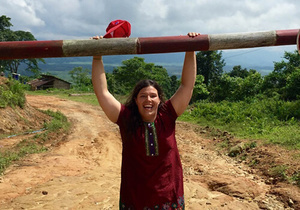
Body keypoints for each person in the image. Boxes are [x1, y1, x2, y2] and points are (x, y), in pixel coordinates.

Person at [92, 32, 199, 210]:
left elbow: (187, 85)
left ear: (159, 99)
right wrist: (97, 57)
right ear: (135, 100)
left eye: (153, 96)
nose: (148, 100)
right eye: (143, 96)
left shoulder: (168, 115)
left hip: (168, 197)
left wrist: (191, 50)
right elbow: (103, 92)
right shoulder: (126, 119)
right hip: (135, 199)